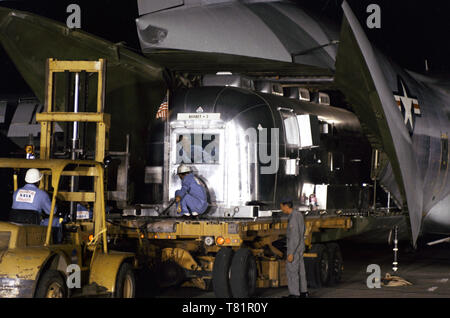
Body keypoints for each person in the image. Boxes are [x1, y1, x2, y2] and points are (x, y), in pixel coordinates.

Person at [11, 168, 62, 242]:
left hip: (15, 223)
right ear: (38, 181)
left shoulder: (16, 192)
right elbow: (51, 212)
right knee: (57, 221)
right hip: (34, 224)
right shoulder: (42, 194)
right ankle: (55, 244)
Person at [281, 197, 309, 298]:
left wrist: (291, 253)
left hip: (294, 248)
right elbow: (303, 230)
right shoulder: (299, 215)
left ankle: (294, 294)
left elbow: (294, 236)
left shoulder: (293, 217)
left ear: (286, 206)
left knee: (292, 271)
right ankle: (303, 292)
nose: (282, 209)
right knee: (301, 271)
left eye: (282, 207)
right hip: (300, 247)